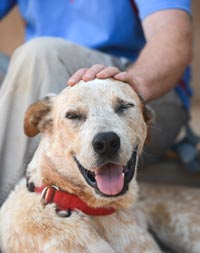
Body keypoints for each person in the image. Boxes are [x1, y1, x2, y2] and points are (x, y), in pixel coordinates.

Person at [0, 0, 192, 204]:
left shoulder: (138, 87)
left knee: (40, 53)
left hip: (143, 86)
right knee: (35, 58)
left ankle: (5, 205)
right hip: (52, 89)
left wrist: (135, 85)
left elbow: (172, 34)